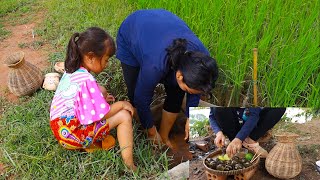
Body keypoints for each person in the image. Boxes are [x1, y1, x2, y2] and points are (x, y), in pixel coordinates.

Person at [116, 9, 219, 148]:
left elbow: (195, 89)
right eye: (190, 90)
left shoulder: (202, 59)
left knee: (177, 91)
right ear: (179, 75)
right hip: (133, 30)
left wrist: (192, 117)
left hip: (163, 26)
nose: (193, 92)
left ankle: (164, 136)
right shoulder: (155, 65)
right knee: (135, 92)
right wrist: (152, 132)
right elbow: (141, 99)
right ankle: (143, 131)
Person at [49, 27, 136, 170]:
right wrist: (121, 104)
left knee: (101, 90)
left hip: (60, 129)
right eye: (106, 60)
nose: (107, 65)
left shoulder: (73, 70)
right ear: (90, 57)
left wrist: (102, 96)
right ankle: (130, 165)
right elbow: (102, 115)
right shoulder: (87, 81)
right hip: (73, 134)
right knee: (124, 116)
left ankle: (92, 142)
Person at [209, 107, 286, 158]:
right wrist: (218, 133)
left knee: (279, 108)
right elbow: (212, 116)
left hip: (252, 127)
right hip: (233, 129)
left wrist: (239, 138)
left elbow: (254, 115)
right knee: (218, 109)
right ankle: (234, 141)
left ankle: (249, 141)